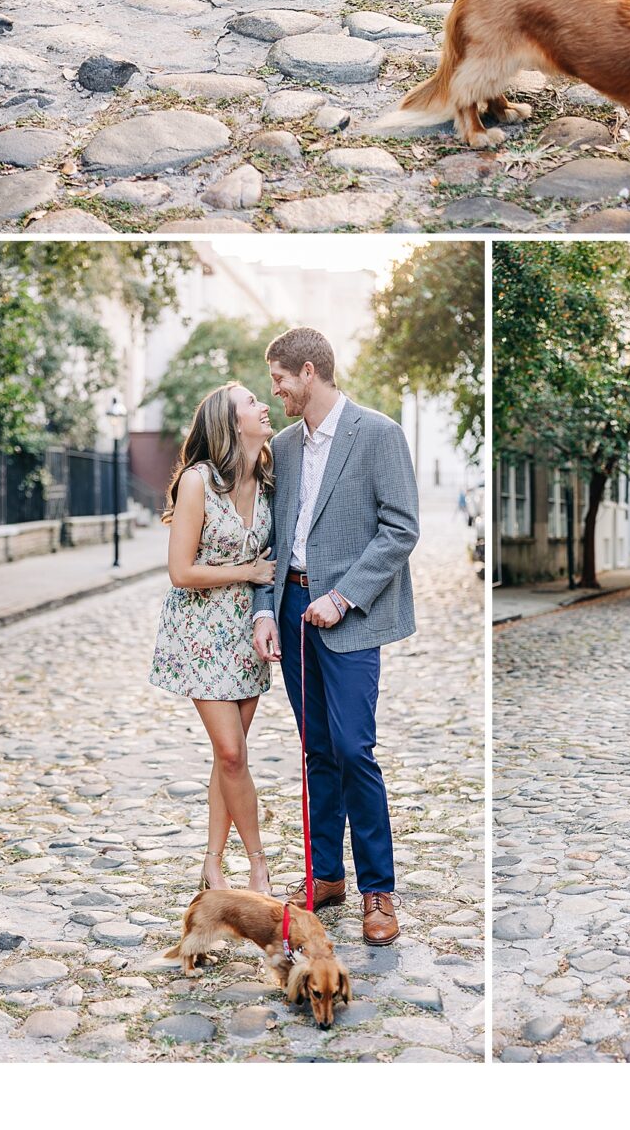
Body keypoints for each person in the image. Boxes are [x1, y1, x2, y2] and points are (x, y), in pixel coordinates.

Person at [253, 325, 420, 946]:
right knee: (315, 749)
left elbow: (399, 529)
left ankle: (379, 889)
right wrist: (265, 611)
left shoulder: (378, 434)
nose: (276, 393)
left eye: (280, 380)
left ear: (310, 373)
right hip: (293, 608)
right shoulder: (288, 447)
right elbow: (273, 535)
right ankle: (325, 876)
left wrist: (342, 594)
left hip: (349, 615)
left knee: (354, 750)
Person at [149, 382, 276, 893]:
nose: (264, 406)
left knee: (233, 756)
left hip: (245, 632)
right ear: (229, 422)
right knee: (231, 753)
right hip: (201, 633)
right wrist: (247, 570)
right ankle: (258, 864)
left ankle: (212, 863)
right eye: (251, 402)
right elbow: (181, 571)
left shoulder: (268, 480)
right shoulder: (197, 482)